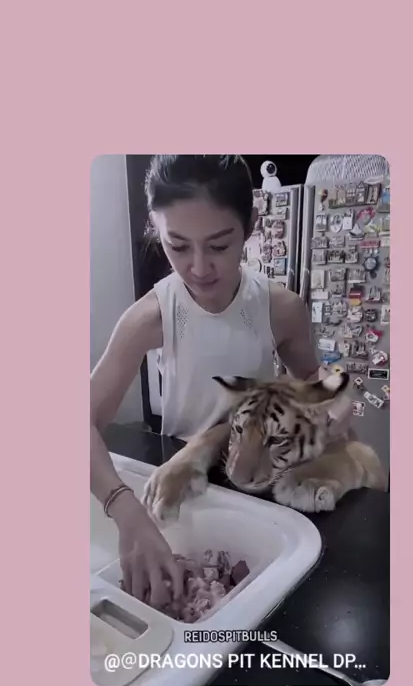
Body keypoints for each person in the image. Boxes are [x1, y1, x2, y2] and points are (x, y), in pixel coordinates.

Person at [90, 155, 349, 608]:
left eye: (219, 245)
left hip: (261, 485)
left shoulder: (280, 309)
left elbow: (312, 389)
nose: (199, 267)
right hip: (180, 486)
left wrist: (334, 400)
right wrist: (122, 507)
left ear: (249, 226)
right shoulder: (151, 316)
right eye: (177, 246)